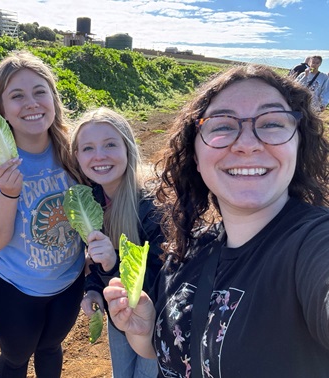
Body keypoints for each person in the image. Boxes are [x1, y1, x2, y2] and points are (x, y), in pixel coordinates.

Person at [103, 64, 329, 377]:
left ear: (298, 142)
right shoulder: (187, 250)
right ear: (195, 155)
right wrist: (143, 331)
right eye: (222, 126)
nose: (247, 143)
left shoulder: (313, 244)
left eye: (272, 123)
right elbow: (168, 354)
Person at [0, 51, 85, 378]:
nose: (32, 103)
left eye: (40, 92)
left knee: (50, 348)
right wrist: (8, 194)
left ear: (54, 99)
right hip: (13, 288)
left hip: (68, 282)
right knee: (15, 358)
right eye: (17, 95)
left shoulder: (73, 151)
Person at [71, 107, 165, 377]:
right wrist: (91, 289)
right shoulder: (90, 201)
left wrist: (115, 264)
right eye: (88, 148)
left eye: (110, 144)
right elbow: (93, 260)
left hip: (155, 323)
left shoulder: (153, 206)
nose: (99, 156)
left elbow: (164, 283)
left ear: (128, 148)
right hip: (118, 316)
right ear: (77, 156)